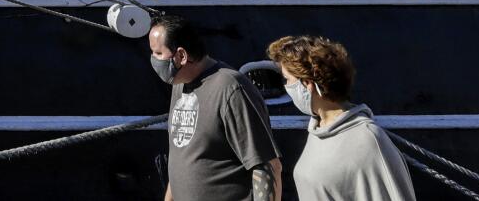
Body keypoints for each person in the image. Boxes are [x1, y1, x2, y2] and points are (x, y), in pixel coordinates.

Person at [266, 36, 415, 201]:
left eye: (288, 80)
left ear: (307, 84)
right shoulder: (318, 129)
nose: (286, 87)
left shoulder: (368, 140)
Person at [149, 14, 279, 201]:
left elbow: (267, 167)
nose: (153, 59)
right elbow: (183, 156)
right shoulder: (180, 84)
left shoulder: (230, 88)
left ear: (181, 56)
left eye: (158, 53)